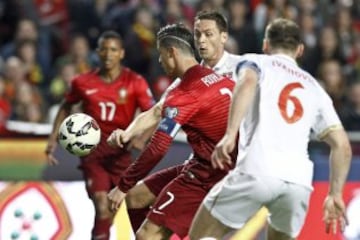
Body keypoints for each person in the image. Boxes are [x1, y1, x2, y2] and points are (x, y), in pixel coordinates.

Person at [189, 18, 352, 240]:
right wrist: (335, 194)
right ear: (300, 50)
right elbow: (342, 146)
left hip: (257, 169)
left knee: (201, 234)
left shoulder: (255, 62)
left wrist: (230, 134)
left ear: (266, 44)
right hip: (298, 182)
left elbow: (247, 83)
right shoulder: (316, 88)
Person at [107, 10, 246, 235]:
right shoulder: (217, 77)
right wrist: (127, 133)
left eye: (161, 55)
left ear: (172, 52)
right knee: (136, 198)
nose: (160, 62)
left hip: (213, 175)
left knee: (146, 234)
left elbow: (158, 148)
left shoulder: (185, 94)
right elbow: (156, 112)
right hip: (208, 163)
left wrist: (122, 186)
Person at [45, 30, 154, 240]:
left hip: (122, 155)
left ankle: (99, 236)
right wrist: (52, 140)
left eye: (113, 49)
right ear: (97, 52)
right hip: (93, 155)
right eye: (104, 49)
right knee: (102, 206)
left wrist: (141, 137)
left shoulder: (135, 82)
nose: (108, 54)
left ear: (121, 53)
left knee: (113, 211)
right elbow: (66, 106)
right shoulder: (83, 82)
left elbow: (153, 113)